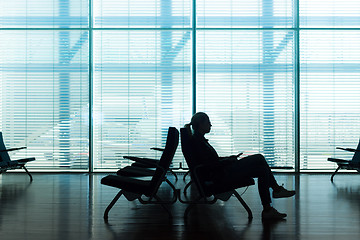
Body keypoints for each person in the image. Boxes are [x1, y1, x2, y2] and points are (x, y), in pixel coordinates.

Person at [185, 112, 295, 220]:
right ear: (201, 125)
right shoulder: (198, 142)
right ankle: (276, 191)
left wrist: (228, 158)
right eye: (208, 122)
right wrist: (228, 161)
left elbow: (210, 161)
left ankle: (268, 208)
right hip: (220, 175)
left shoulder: (198, 140)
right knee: (259, 158)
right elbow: (209, 165)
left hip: (221, 171)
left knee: (262, 170)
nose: (210, 125)